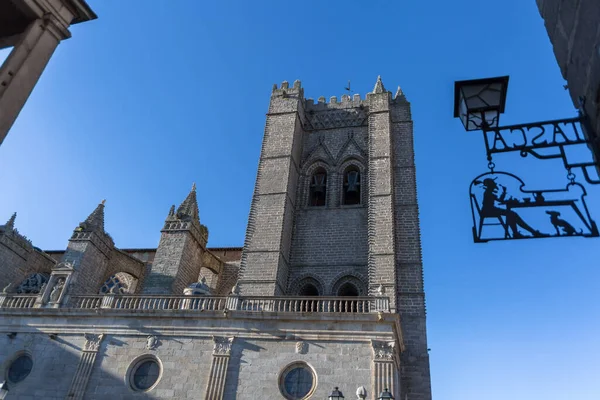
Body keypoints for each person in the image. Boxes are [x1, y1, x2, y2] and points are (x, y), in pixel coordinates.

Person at [478, 178, 543, 238]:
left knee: (511, 214)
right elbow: (500, 200)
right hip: (489, 210)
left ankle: (519, 233)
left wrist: (504, 192)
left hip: (491, 209)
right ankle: (523, 233)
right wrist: (504, 193)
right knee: (512, 214)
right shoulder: (488, 193)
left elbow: (500, 200)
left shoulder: (488, 192)